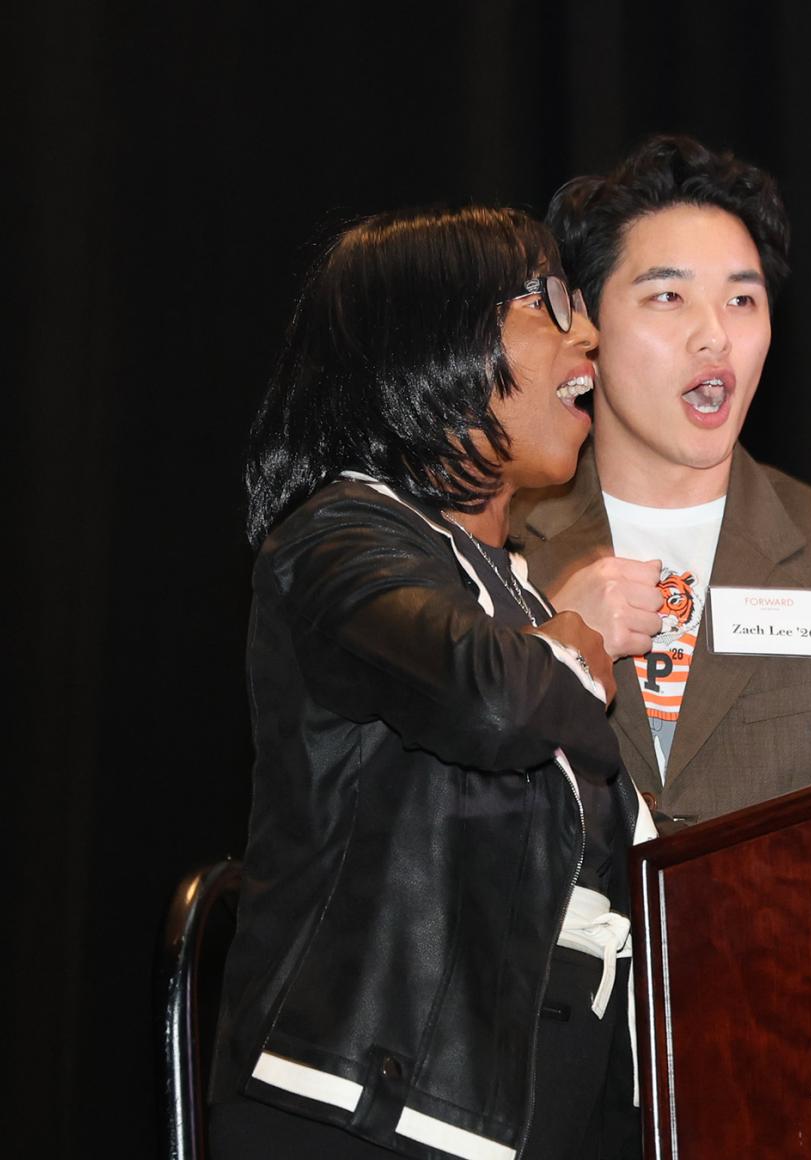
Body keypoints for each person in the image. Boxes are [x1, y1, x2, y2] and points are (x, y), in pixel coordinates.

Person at [210, 206, 654, 1160]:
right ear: (435, 341)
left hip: (535, 1103)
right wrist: (573, 636)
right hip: (370, 1113)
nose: (588, 334)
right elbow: (488, 699)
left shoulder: (502, 575)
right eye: (549, 304)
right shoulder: (336, 535)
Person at [513, 136, 811, 824]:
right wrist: (541, 646)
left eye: (743, 301)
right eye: (668, 296)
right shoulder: (497, 543)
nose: (714, 335)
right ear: (586, 324)